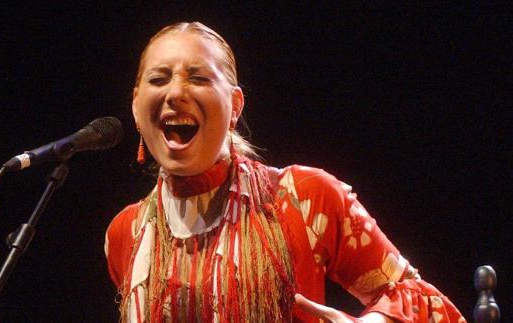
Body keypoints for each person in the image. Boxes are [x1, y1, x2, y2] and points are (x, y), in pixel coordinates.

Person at [104, 21, 466, 322]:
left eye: (198, 78)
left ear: (234, 106)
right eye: (159, 79)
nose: (175, 92)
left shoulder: (303, 197)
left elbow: (424, 302)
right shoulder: (126, 233)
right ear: (136, 107)